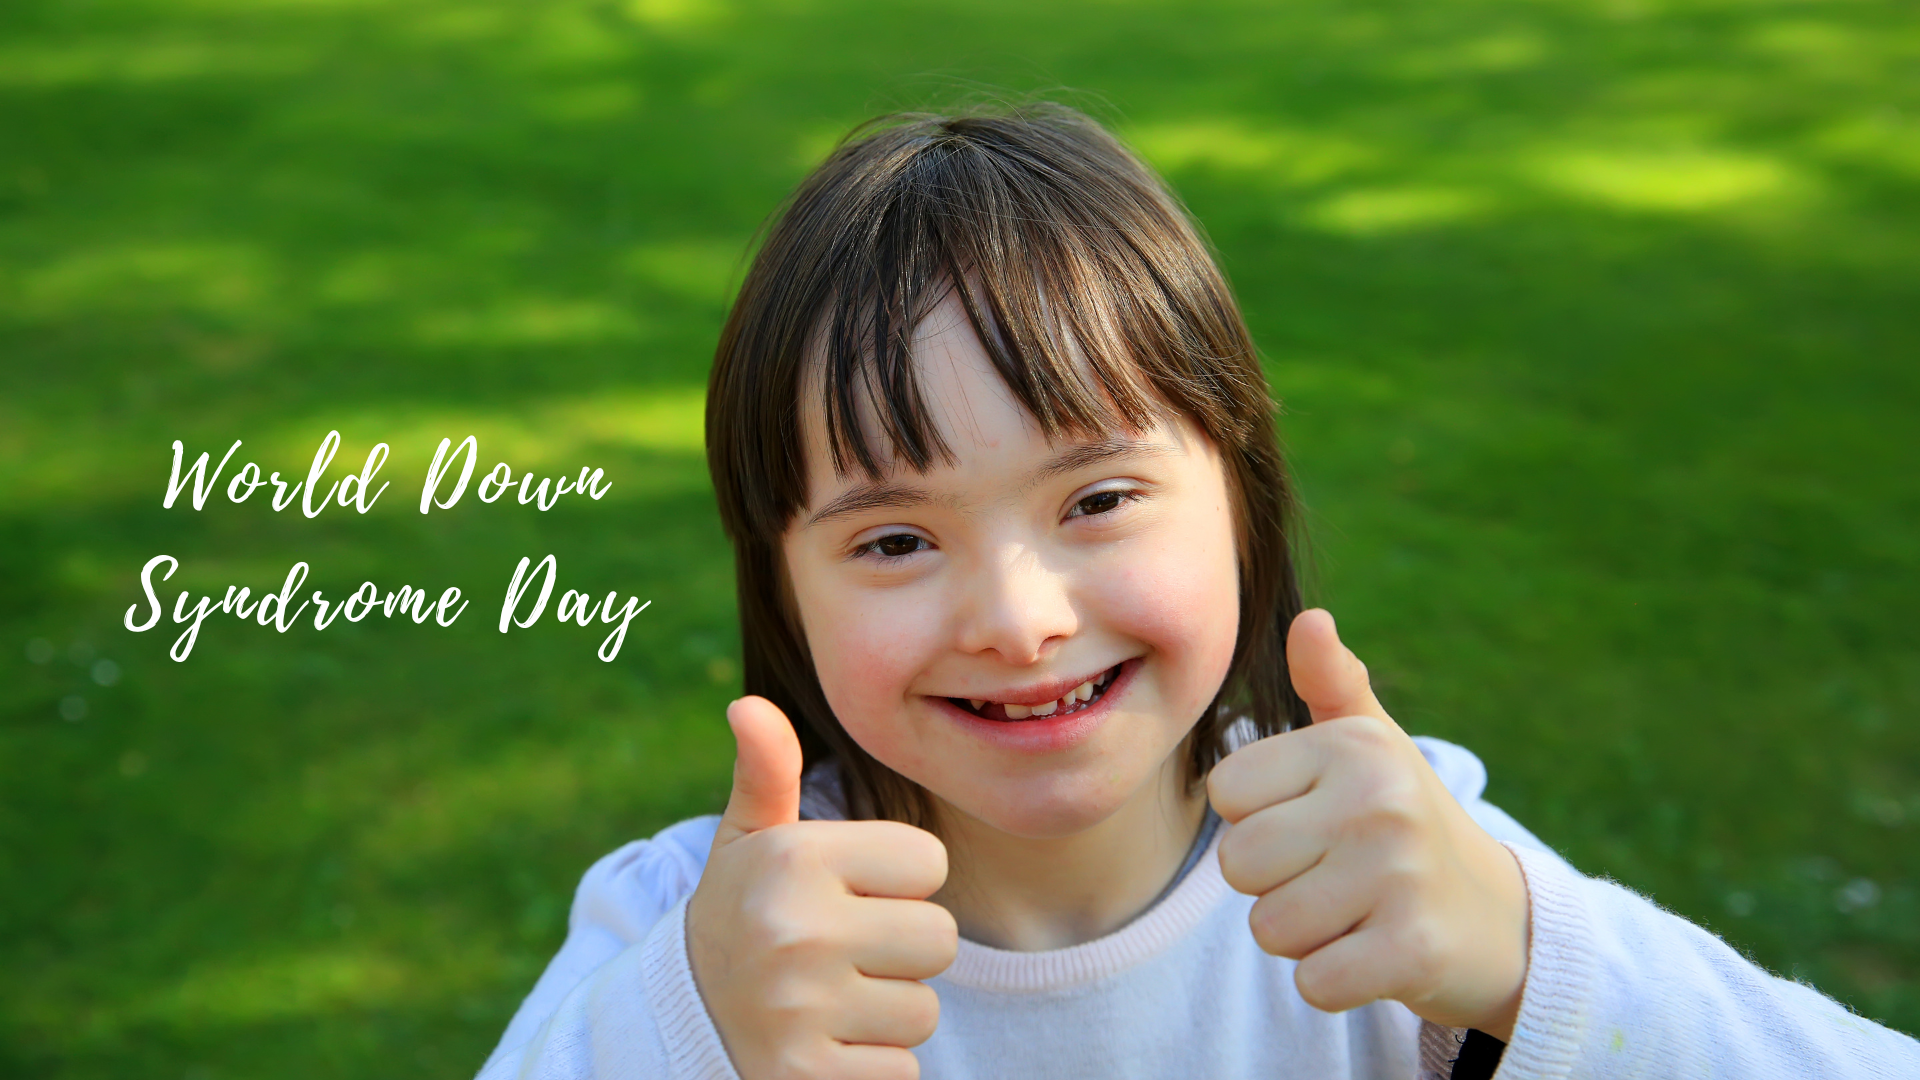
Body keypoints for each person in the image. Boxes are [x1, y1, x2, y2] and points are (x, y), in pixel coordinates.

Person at [476, 105, 1919, 1080]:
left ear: (1242, 502)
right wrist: (690, 1038)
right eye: (893, 540)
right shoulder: (703, 932)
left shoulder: (1395, 875)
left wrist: (1540, 962)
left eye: (1096, 501)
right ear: (783, 588)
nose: (1018, 616)